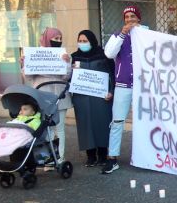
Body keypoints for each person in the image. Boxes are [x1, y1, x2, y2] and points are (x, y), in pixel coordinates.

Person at [22, 27, 72, 164]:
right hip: (42, 97)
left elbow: (66, 76)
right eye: (56, 38)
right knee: (46, 129)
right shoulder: (36, 54)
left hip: (59, 97)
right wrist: (24, 64)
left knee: (59, 128)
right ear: (47, 39)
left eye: (60, 39)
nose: (59, 41)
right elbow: (28, 76)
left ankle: (59, 157)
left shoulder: (65, 55)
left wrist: (67, 63)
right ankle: (48, 157)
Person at [101, 5, 141, 174]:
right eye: (127, 17)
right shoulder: (117, 36)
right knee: (117, 121)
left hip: (142, 85)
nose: (130, 19)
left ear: (139, 19)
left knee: (144, 122)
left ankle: (145, 156)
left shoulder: (146, 34)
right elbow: (109, 54)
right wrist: (123, 34)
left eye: (133, 16)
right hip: (123, 85)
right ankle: (112, 157)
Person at [70, 30, 115, 167]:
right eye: (80, 41)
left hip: (101, 97)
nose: (82, 44)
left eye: (85, 41)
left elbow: (112, 74)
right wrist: (68, 67)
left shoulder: (103, 55)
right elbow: (67, 77)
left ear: (92, 41)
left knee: (101, 123)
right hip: (82, 98)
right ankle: (90, 156)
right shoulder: (74, 57)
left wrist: (111, 91)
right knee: (86, 125)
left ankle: (102, 154)